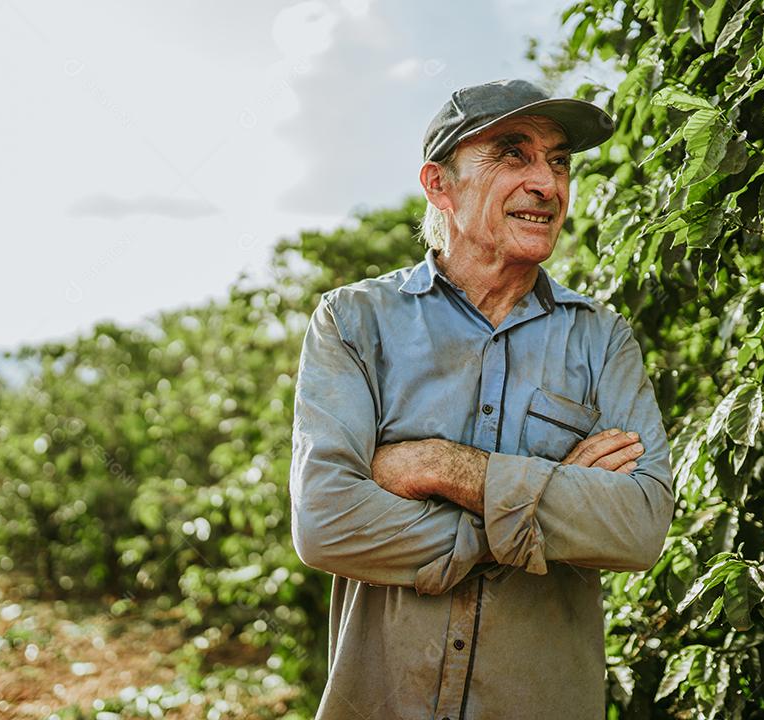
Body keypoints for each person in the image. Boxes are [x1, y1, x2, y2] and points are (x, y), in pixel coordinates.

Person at [289, 78, 674, 720]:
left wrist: (442, 467)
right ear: (440, 184)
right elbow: (327, 524)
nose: (547, 185)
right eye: (513, 155)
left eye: (558, 162)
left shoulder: (602, 340)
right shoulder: (355, 322)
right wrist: (546, 506)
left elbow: (639, 528)